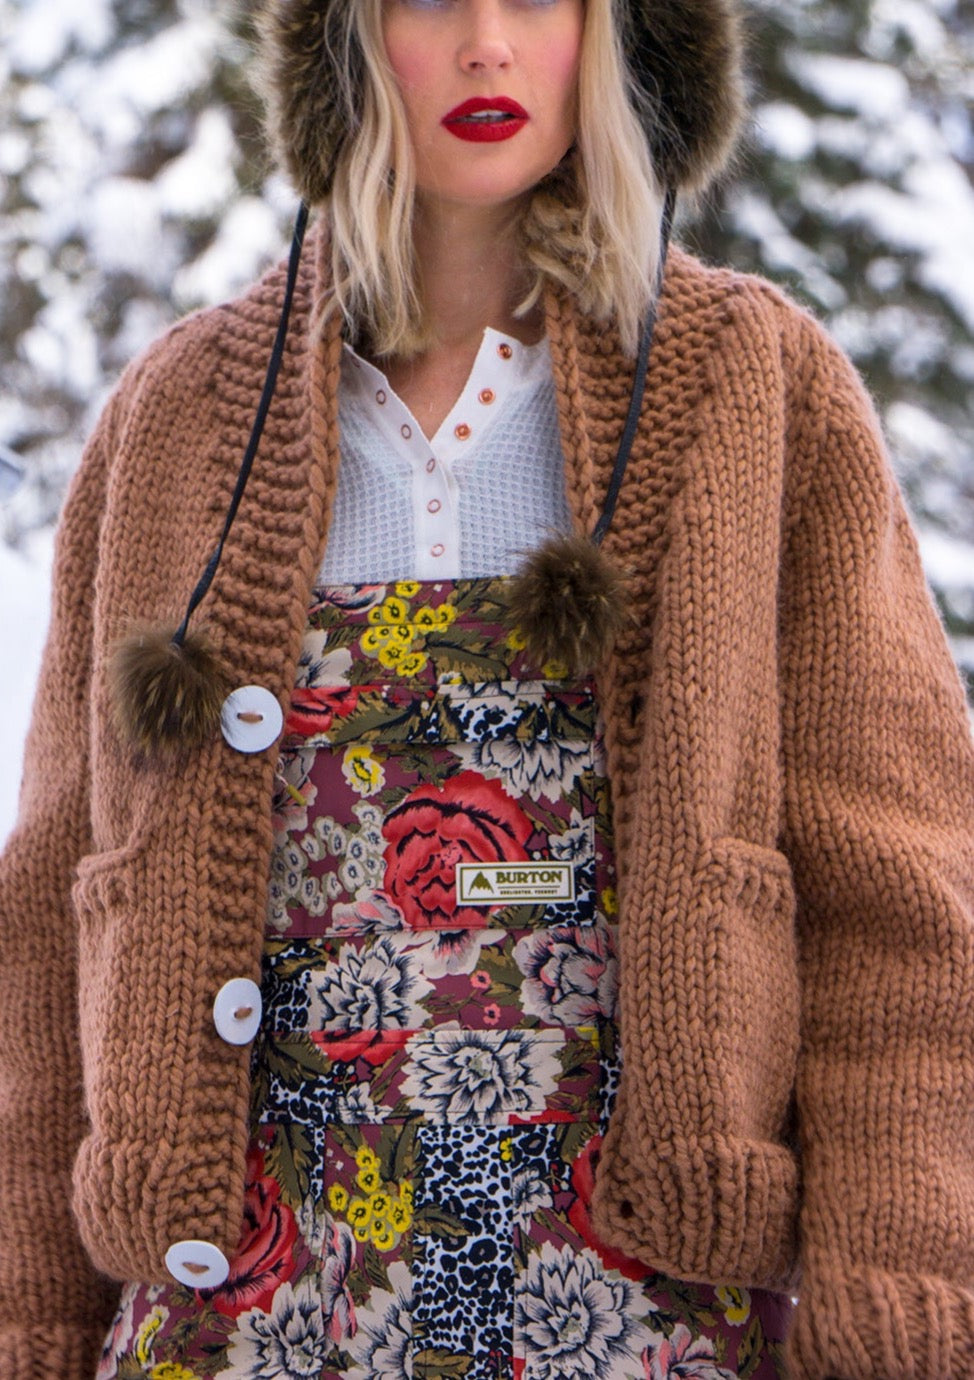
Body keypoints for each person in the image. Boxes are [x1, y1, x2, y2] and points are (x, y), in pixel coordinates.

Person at [1, 0, 972, 1375]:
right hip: (242, 1333)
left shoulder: (754, 396)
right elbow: (47, 925)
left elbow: (898, 908)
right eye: (430, 3)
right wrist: (28, 1325)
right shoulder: (180, 422)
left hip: (641, 1329)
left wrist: (897, 1309)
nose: (485, 48)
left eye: (537, 3)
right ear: (343, 43)